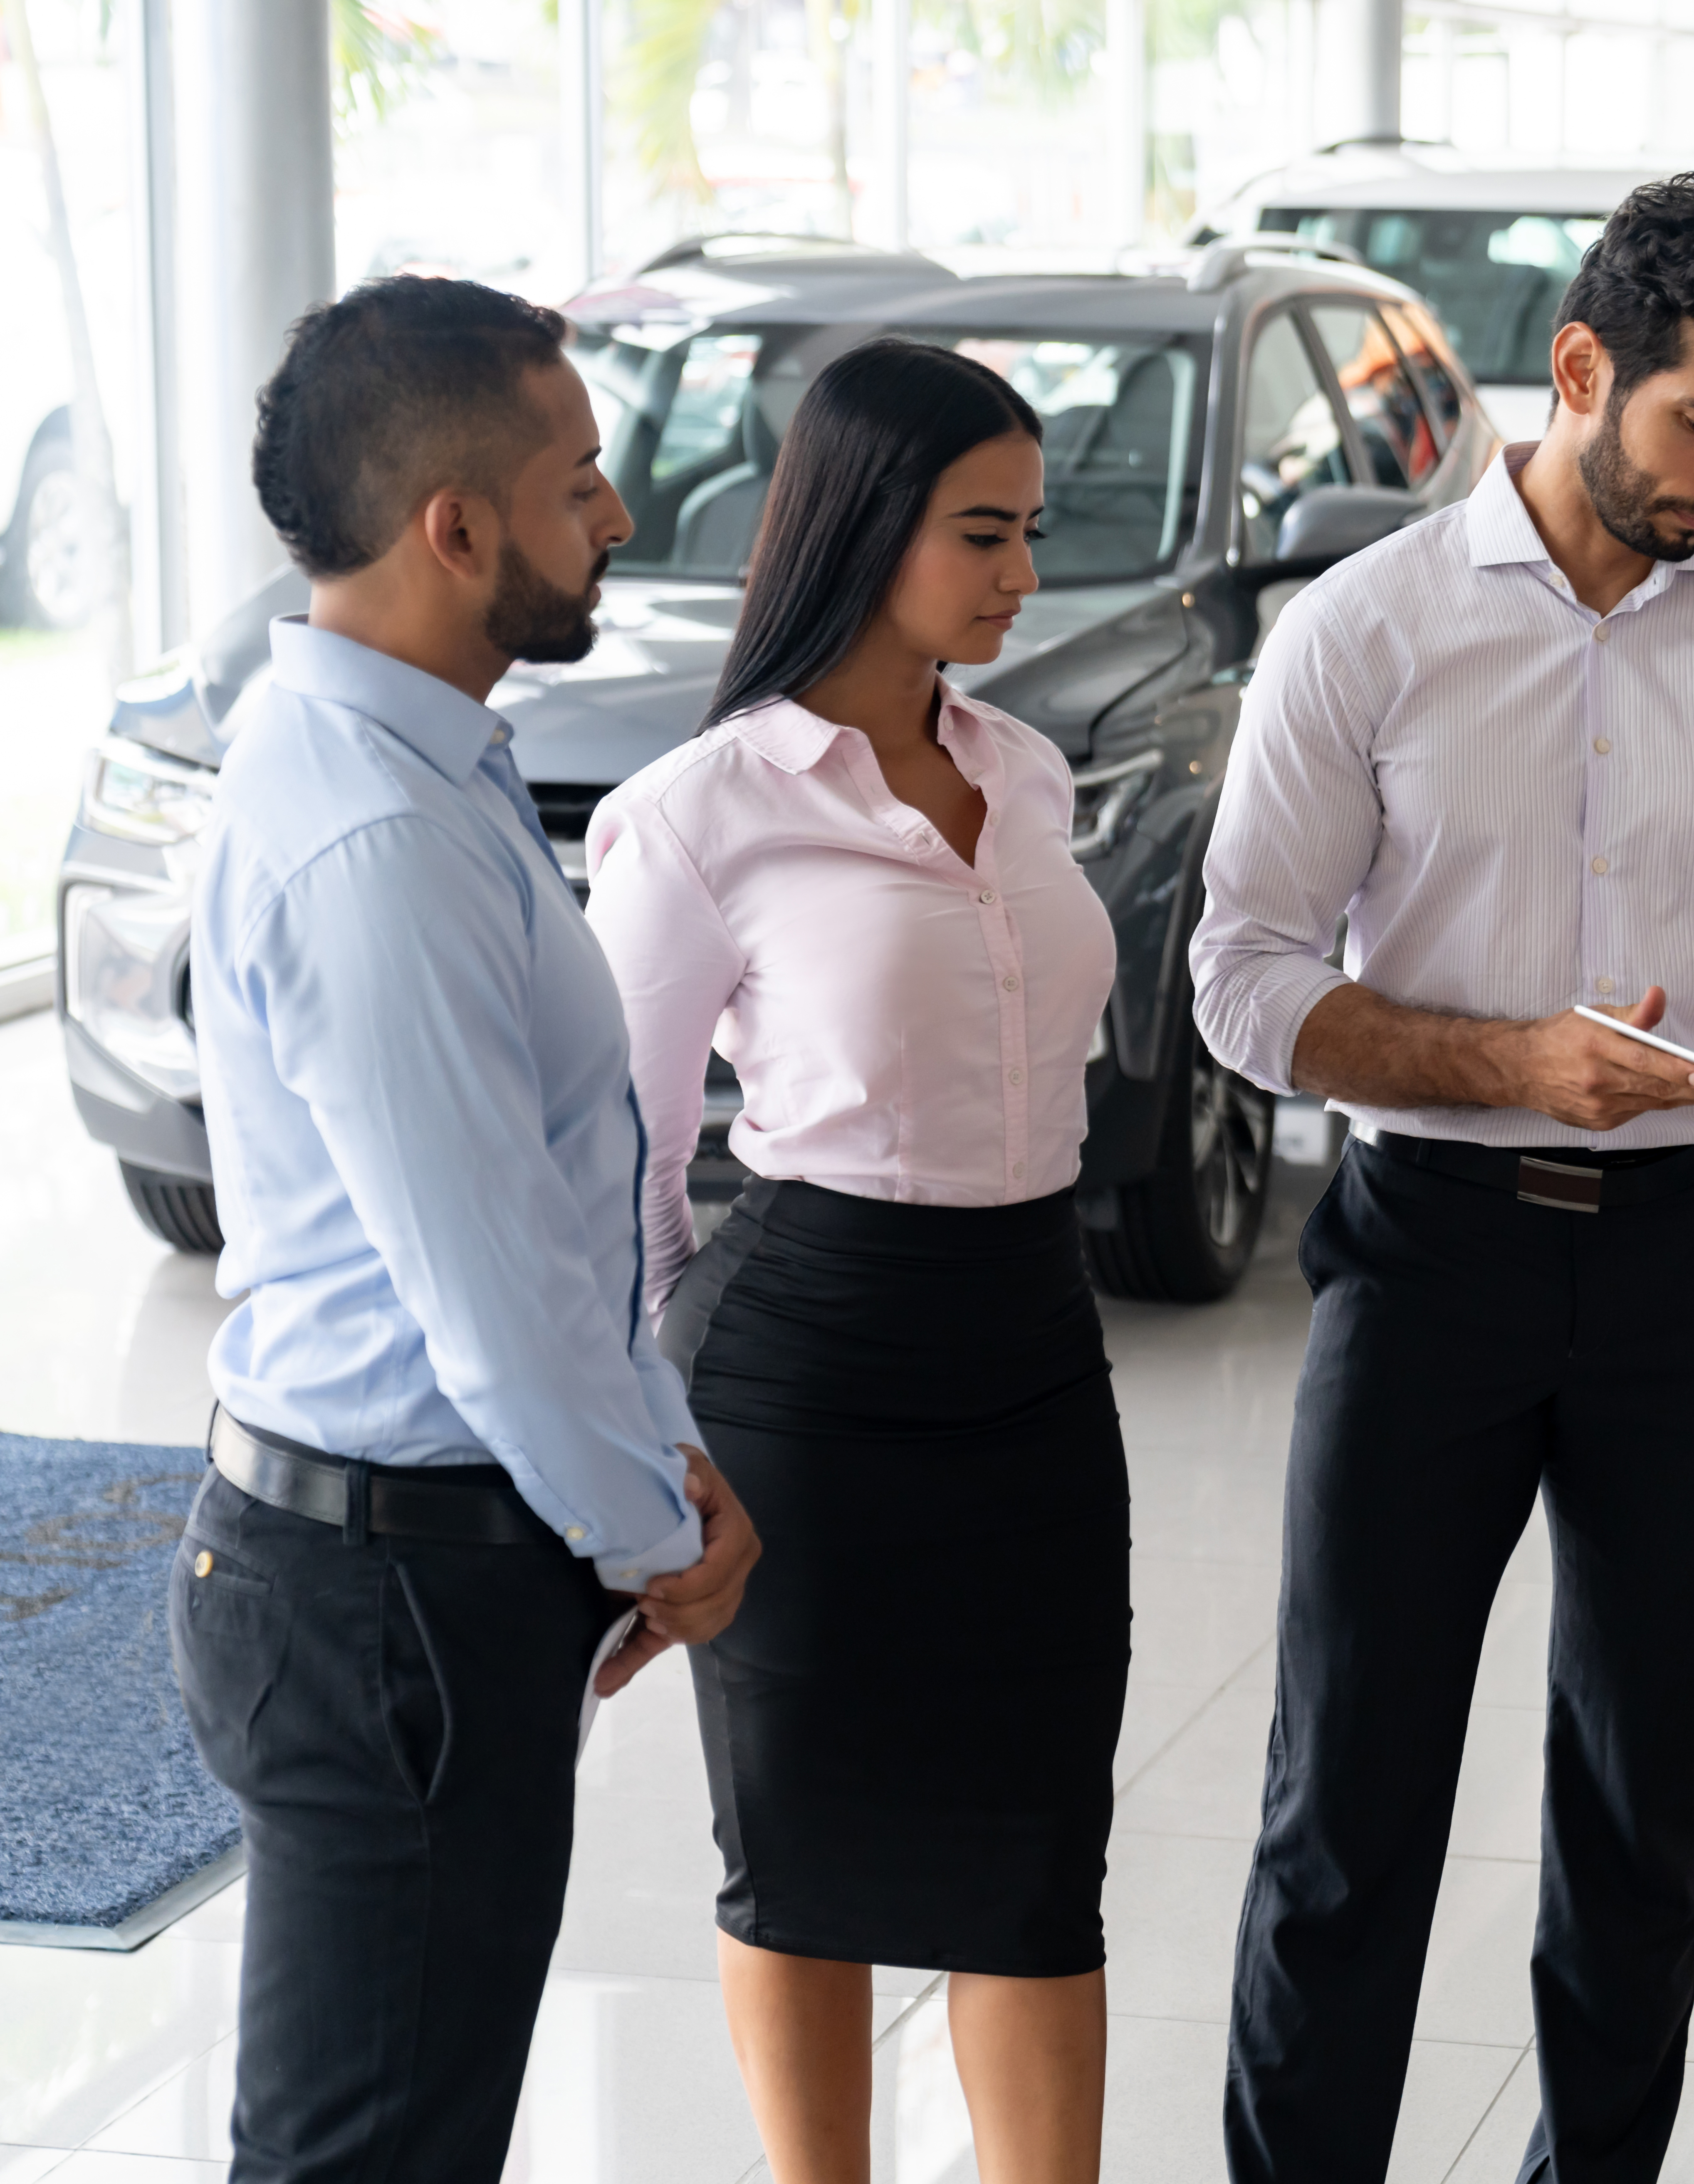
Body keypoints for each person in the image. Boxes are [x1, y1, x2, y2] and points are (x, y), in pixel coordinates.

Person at [1190, 171, 1694, 2184]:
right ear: (1576, 373)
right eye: (1691, 426)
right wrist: (1510, 1060)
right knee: (1345, 1800)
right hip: (1426, 1256)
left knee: (1641, 1798)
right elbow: (1240, 981)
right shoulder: (1359, 631)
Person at [172, 275, 761, 2181]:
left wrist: (645, 1463)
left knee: (395, 2118)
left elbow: (552, 1192)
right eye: (580, 480)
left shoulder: (411, 757)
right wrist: (664, 1534)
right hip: (389, 1597)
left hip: (409, 1565)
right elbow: (491, 1283)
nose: (616, 516)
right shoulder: (381, 835)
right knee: (371, 2149)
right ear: (456, 526)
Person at [583, 340, 1126, 2184]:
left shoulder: (1029, 771)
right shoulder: (699, 812)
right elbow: (631, 1169)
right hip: (803, 1376)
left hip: (1039, 1358)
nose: (1021, 575)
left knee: (1035, 1853)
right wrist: (667, 1412)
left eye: (1030, 531)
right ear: (867, 522)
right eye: (984, 533)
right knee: (802, 1854)